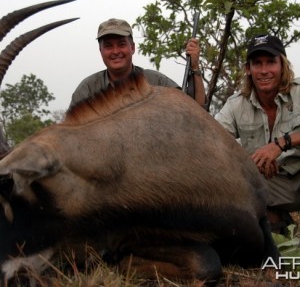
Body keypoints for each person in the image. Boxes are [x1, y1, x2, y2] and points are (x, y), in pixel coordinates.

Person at [215, 34, 300, 235]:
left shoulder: (298, 92)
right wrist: (253, 162)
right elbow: (214, 140)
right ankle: (276, 224)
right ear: (248, 69)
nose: (264, 71)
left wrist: (279, 144)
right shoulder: (236, 105)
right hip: (273, 183)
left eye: (270, 62)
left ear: (282, 65)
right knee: (234, 188)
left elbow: (279, 146)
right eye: (257, 64)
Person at [68, 18, 206, 109]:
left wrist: (195, 67)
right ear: (101, 51)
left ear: (132, 48)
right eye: (109, 46)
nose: (116, 51)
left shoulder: (155, 81)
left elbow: (196, 110)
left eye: (121, 44)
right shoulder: (88, 90)